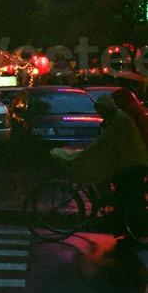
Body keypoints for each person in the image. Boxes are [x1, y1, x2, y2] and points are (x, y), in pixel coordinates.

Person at [52, 93, 147, 247]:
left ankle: (130, 233)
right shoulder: (115, 118)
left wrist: (82, 155)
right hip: (127, 162)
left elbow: (102, 143)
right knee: (122, 195)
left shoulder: (118, 120)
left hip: (131, 164)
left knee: (125, 199)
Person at [114, 88, 148, 153]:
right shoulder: (134, 108)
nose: (116, 102)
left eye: (117, 99)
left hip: (136, 142)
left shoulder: (129, 110)